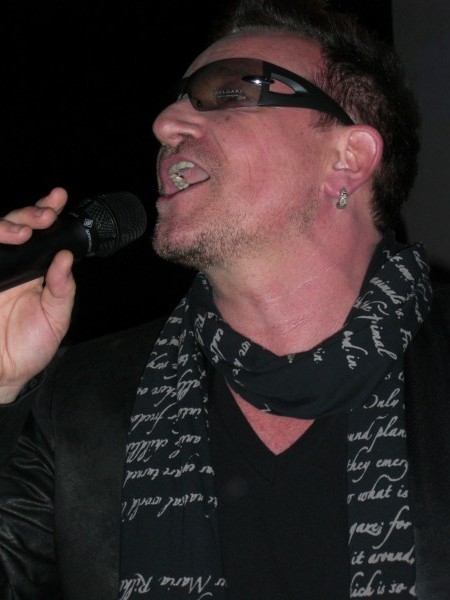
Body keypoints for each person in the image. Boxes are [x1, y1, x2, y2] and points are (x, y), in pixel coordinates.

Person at [0, 0, 449, 598]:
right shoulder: (81, 399)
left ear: (349, 158)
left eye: (230, 91)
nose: (165, 122)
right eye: (178, 98)